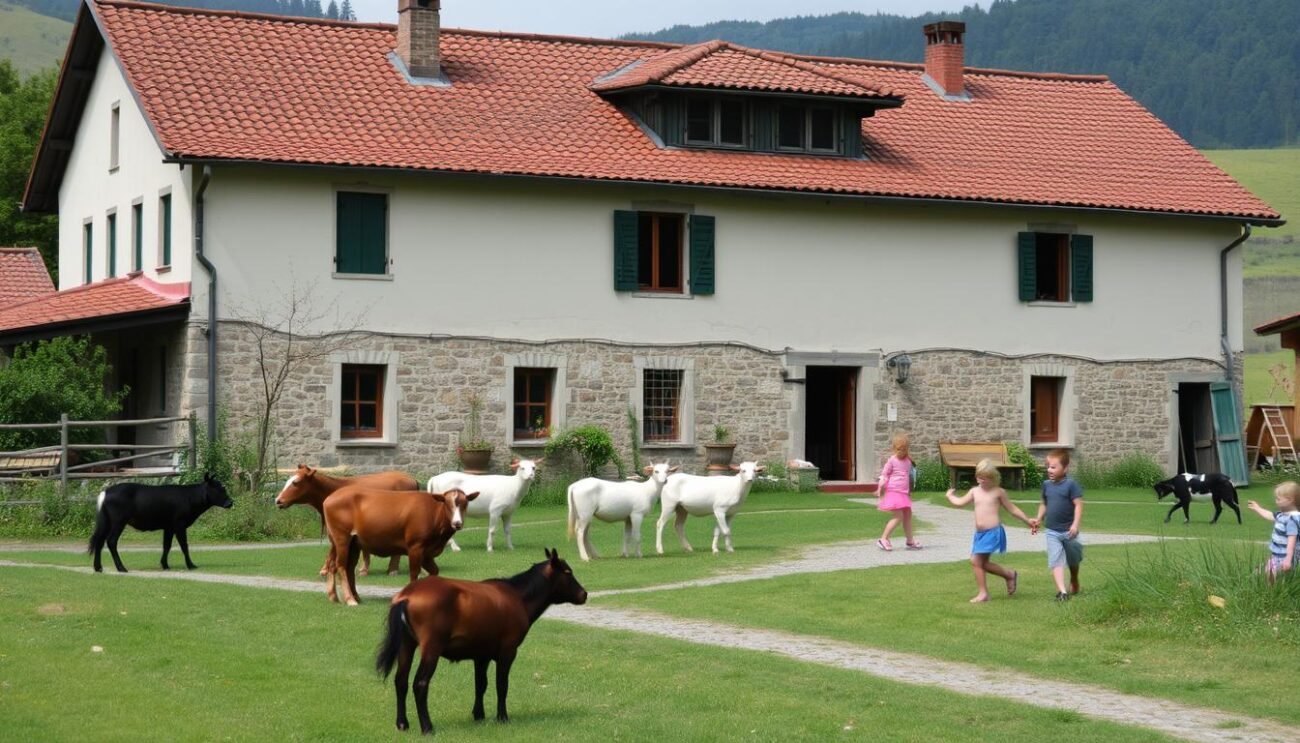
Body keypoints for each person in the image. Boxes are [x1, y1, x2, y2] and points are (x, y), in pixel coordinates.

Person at [945, 459, 1035, 602]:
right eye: (978, 477)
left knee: (975, 561)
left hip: (993, 532)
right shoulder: (974, 491)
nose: (981, 480)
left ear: (993, 477)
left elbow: (1012, 509)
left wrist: (1027, 520)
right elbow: (960, 503)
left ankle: (983, 593)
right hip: (979, 535)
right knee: (982, 563)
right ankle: (1009, 575)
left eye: (985, 477)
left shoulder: (998, 492)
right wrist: (950, 496)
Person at [1034, 448, 1083, 601]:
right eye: (1048, 466)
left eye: (1053, 467)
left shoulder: (1071, 485)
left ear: (1065, 468)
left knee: (1073, 559)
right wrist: (1038, 519)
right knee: (1055, 560)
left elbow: (1078, 505)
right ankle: (1062, 592)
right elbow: (1044, 503)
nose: (1049, 470)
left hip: (1069, 531)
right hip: (1052, 532)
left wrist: (1075, 525)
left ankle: (1074, 579)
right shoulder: (1046, 485)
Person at [1247, 480, 1300, 583]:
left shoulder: (1292, 519)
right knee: (1264, 574)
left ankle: (1271, 594)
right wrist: (1258, 508)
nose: (1276, 501)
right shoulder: (1283, 515)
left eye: (1278, 499)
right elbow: (1270, 515)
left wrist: (1288, 559)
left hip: (1284, 556)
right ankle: (1273, 591)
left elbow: (1291, 540)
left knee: (1267, 576)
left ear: (1289, 500)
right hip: (1277, 555)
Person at [876, 433, 919, 551]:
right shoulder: (891, 461)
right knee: (898, 516)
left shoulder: (908, 461)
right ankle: (883, 539)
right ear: (894, 449)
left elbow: (910, 475)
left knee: (908, 515)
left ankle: (910, 541)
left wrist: (909, 490)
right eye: (899, 449)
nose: (902, 452)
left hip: (903, 492)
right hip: (893, 491)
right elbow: (884, 475)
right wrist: (880, 488)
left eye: (904, 449)